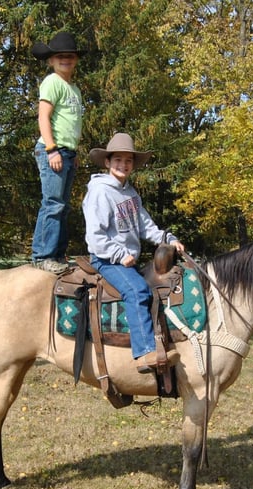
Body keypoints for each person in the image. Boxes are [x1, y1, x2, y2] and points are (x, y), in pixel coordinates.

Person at [82, 133, 185, 374]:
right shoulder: (100, 192)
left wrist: (169, 239)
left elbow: (146, 226)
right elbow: (95, 236)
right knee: (137, 290)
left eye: (128, 161)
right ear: (107, 162)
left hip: (126, 260)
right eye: (118, 160)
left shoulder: (130, 194)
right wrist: (119, 255)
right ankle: (145, 353)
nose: (123, 165)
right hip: (107, 258)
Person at [30, 31, 85, 274]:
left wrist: (73, 152)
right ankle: (43, 256)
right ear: (51, 60)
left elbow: (71, 124)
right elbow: (44, 117)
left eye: (70, 56)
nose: (66, 60)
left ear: (76, 59)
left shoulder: (73, 88)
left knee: (63, 206)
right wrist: (52, 150)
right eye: (60, 56)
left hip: (67, 152)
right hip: (53, 150)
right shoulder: (52, 82)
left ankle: (58, 255)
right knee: (52, 204)